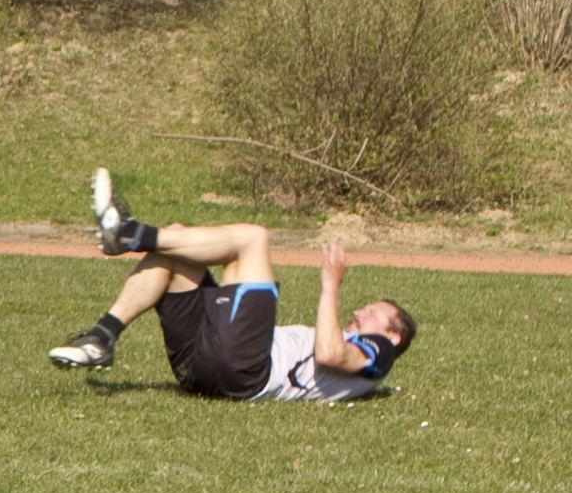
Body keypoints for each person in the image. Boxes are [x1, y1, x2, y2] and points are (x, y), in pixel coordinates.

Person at [47, 170, 417, 402]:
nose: (359, 311)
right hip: (203, 368)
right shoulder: (366, 345)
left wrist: (330, 286)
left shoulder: (380, 351)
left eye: (372, 313)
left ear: (393, 336)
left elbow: (330, 356)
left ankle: (131, 233)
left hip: (245, 371)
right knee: (175, 245)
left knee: (253, 239)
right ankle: (102, 336)